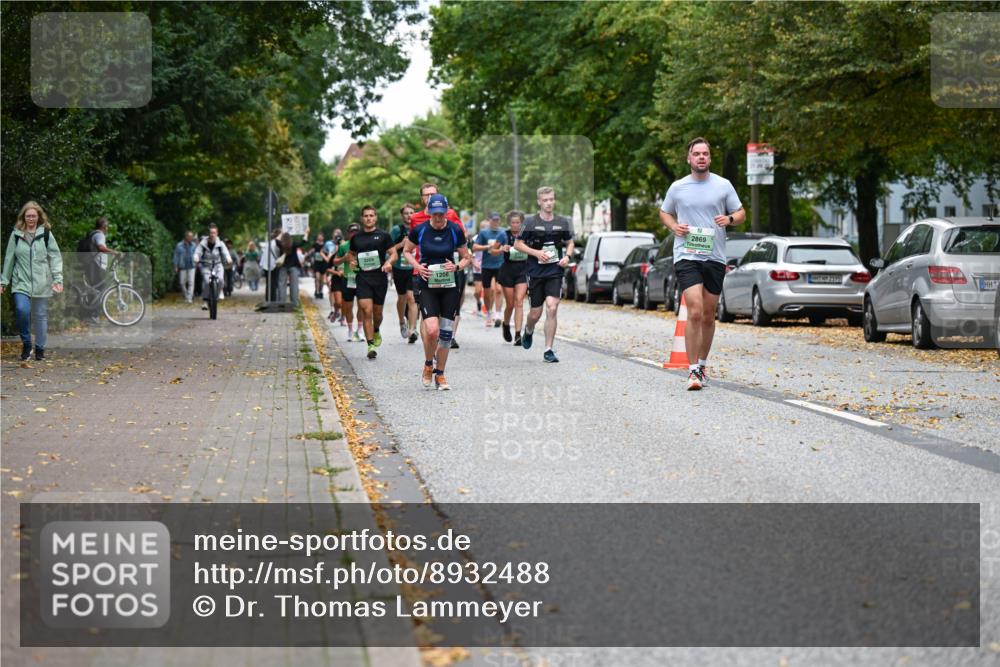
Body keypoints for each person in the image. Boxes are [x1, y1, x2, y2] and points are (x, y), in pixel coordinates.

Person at [658, 137, 745, 390]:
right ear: (689, 158)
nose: (701, 157)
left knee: (708, 315)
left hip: (715, 256)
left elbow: (741, 213)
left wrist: (729, 218)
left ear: (709, 158)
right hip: (687, 254)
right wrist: (674, 226)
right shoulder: (678, 187)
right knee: (694, 310)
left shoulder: (723, 185)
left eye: (705, 153)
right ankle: (693, 370)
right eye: (696, 154)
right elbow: (664, 211)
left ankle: (703, 364)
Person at [403, 194, 471, 390]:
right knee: (432, 330)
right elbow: (407, 251)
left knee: (446, 334)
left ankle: (440, 374)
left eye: (442, 214)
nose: (439, 218)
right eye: (435, 214)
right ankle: (427, 363)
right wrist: (417, 266)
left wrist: (457, 266)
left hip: (449, 286)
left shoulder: (455, 230)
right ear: (429, 213)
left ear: (447, 212)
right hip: (428, 285)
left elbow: (467, 257)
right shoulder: (420, 230)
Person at [513, 186, 574, 363]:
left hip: (555, 271)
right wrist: (537, 253)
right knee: (535, 313)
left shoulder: (563, 222)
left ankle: (548, 349)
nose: (548, 203)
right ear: (539, 202)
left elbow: (570, 242)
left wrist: (567, 257)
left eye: (551, 199)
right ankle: (529, 329)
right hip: (536, 272)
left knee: (552, 307)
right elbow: (518, 244)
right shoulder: (531, 222)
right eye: (545, 200)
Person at [1, 201, 64, 361]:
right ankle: (27, 343)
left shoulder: (46, 234)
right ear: (23, 217)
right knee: (22, 310)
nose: (31, 219)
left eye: (33, 216)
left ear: (38, 217)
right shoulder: (16, 235)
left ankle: (40, 348)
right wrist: (4, 281)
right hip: (20, 282)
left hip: (42, 282)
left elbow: (55, 257)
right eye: (28, 216)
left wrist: (58, 278)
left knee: (40, 316)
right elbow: (9, 259)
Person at [348, 206, 396, 359]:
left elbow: (394, 254)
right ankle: (370, 345)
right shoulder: (356, 238)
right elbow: (351, 254)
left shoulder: (384, 235)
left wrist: (389, 263)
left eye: (371, 215)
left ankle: (376, 330)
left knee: (377, 313)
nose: (368, 218)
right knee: (366, 311)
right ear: (362, 218)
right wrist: (352, 261)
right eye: (366, 216)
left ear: (375, 218)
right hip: (363, 278)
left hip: (379, 278)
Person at [497, 210, 529, 345]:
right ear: (509, 224)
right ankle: (505, 324)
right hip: (508, 271)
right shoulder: (503, 235)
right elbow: (492, 251)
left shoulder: (526, 235)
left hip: (523, 270)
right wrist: (501, 249)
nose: (515, 225)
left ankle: (517, 334)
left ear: (522, 223)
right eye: (513, 223)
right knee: (510, 304)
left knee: (519, 302)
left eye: (518, 223)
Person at [390, 203, 419, 342]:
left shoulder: (419, 228)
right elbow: (389, 249)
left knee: (412, 298)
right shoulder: (397, 230)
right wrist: (401, 244)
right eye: (406, 213)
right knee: (402, 298)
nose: (409, 215)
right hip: (399, 268)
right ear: (402, 216)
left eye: (412, 212)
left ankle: (412, 329)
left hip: (414, 268)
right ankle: (402, 322)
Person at [472, 212, 507, 328]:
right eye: (493, 220)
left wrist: (504, 249)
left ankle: (498, 314)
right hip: (486, 266)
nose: (495, 222)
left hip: (500, 265)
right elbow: (475, 247)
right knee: (487, 293)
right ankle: (489, 313)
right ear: (489, 220)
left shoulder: (503, 232)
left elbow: (508, 245)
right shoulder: (484, 233)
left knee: (498, 289)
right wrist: (488, 247)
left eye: (497, 220)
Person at [332, 223, 362, 341]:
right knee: (348, 307)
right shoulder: (344, 246)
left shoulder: (365, 244)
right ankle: (350, 330)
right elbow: (335, 262)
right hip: (348, 279)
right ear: (348, 233)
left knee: (362, 306)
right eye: (351, 232)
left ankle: (359, 330)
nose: (354, 234)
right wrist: (344, 258)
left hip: (362, 279)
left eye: (356, 231)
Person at [193, 224, 233, 309]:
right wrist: (196, 258)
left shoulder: (220, 244)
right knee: (207, 282)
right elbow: (197, 252)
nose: (212, 234)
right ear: (209, 234)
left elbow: (225, 252)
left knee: (221, 280)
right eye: (211, 233)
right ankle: (205, 300)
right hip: (206, 266)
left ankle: (218, 293)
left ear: (217, 233)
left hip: (218, 265)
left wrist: (228, 259)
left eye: (214, 233)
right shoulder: (203, 243)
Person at [276, 231, 306, 306]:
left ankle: (282, 303)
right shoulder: (293, 245)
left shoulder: (280, 245)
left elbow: (276, 240)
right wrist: (306, 233)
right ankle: (294, 303)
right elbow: (304, 242)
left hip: (283, 266)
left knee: (281, 284)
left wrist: (281, 233)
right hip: (294, 267)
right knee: (294, 285)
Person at [321, 233, 342, 323]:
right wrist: (337, 273)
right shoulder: (333, 256)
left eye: (340, 244)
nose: (338, 246)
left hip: (347, 280)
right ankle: (335, 311)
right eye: (337, 245)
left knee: (346, 302)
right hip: (336, 279)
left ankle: (343, 318)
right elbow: (327, 269)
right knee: (338, 302)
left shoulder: (349, 254)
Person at [173, 231, 197, 303]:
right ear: (186, 237)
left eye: (192, 236)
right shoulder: (179, 245)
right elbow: (176, 256)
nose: (191, 238)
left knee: (191, 282)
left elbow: (196, 254)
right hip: (182, 266)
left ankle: (189, 298)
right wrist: (175, 266)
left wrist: (197, 261)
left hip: (192, 266)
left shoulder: (194, 245)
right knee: (181, 283)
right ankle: (186, 295)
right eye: (190, 236)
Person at [310, 232, 328, 299]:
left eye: (321, 236)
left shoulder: (325, 245)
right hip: (317, 263)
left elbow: (328, 252)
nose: (320, 237)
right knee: (317, 278)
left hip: (323, 263)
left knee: (322, 279)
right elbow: (312, 251)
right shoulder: (315, 244)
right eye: (318, 236)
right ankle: (317, 291)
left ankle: (321, 291)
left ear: (323, 237)